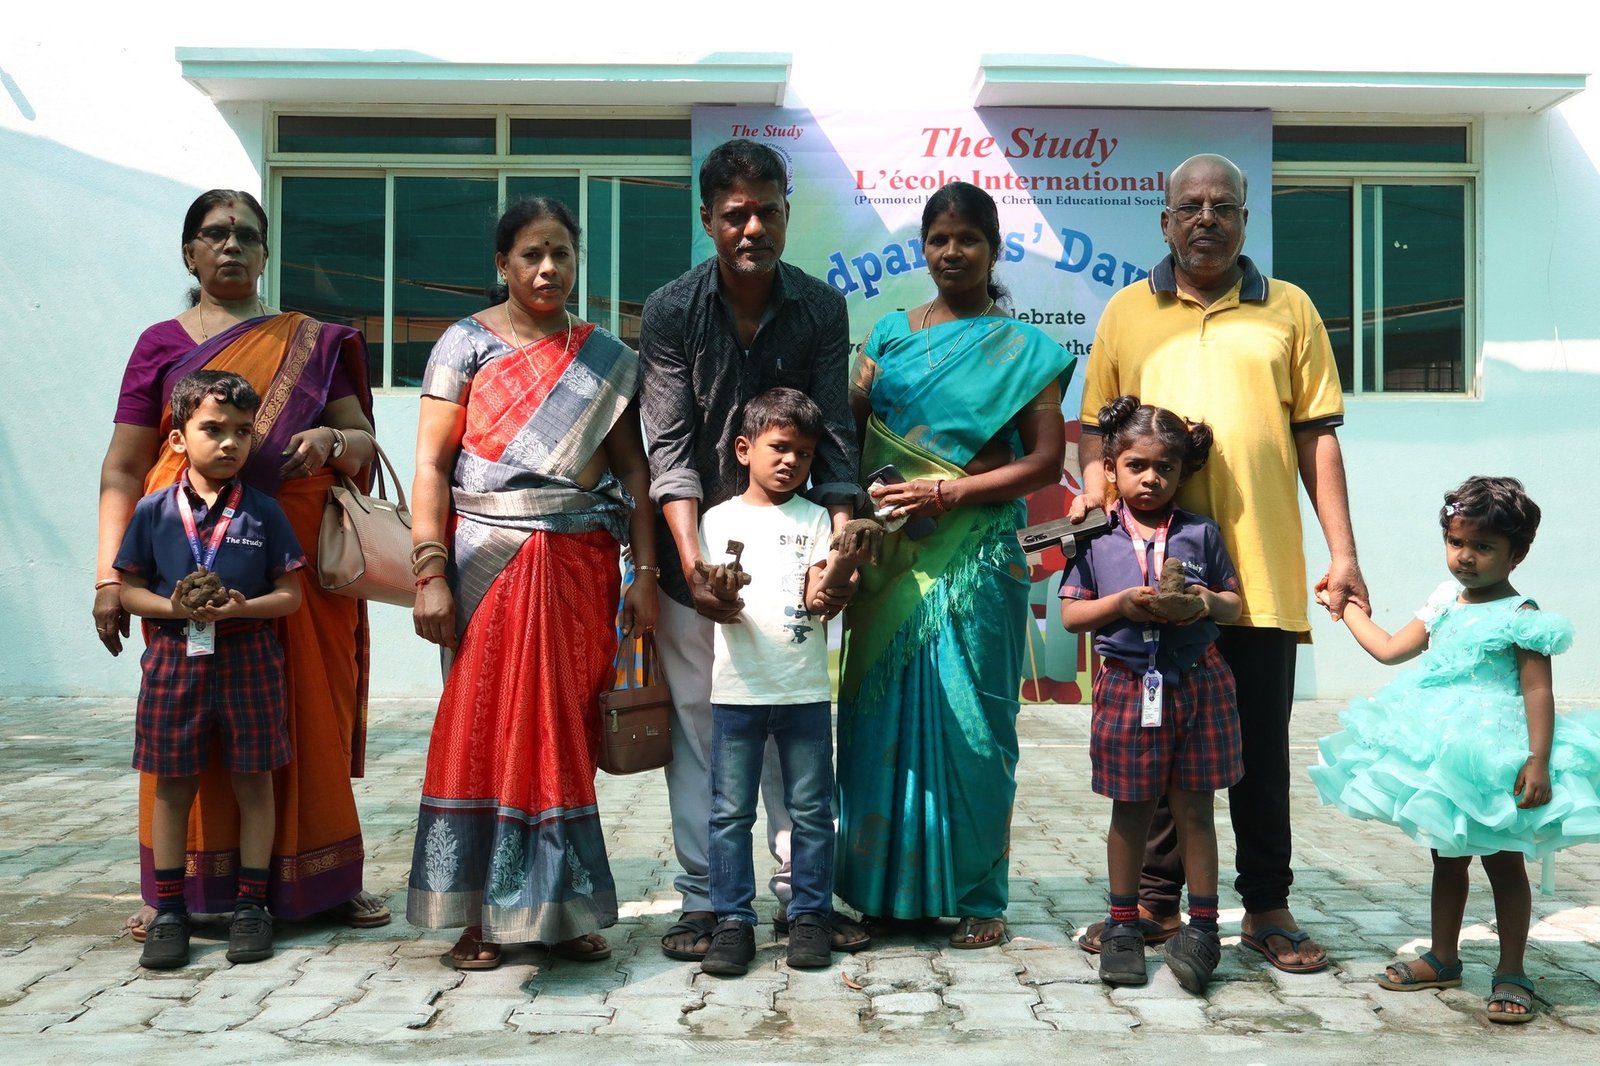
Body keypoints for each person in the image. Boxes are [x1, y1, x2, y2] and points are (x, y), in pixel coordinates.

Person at [1071, 153, 1364, 973]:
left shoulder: (1290, 309)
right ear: (1165, 221)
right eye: (1191, 206)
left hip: (1256, 577)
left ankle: (1267, 907)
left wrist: (1343, 553)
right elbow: (1095, 431)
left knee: (1258, 754)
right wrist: (1095, 504)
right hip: (1150, 581)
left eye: (1222, 206)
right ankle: (1155, 904)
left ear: (1244, 219)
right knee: (1157, 743)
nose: (1207, 218)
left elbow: (1317, 438)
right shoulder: (1128, 310)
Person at [95, 189, 387, 937]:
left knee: (305, 715)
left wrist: (330, 441)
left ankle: (321, 879)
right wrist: (108, 579)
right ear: (189, 252)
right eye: (215, 234)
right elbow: (124, 468)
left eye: (247, 235)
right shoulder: (160, 344)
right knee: (183, 731)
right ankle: (177, 891)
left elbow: (360, 442)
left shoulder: (311, 342)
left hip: (292, 568)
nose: (231, 246)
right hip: (181, 567)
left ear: (264, 252)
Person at [406, 196, 657, 970]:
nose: (548, 268)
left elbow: (635, 474)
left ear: (577, 260)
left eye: (561, 254)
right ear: (502, 264)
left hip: (581, 567)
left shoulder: (603, 357)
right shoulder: (464, 344)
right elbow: (431, 466)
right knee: (484, 727)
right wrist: (429, 571)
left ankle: (562, 904)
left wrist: (645, 573)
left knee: (563, 733)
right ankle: (480, 914)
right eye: (530, 255)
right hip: (486, 562)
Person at [640, 138, 869, 960]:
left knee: (789, 723)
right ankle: (707, 902)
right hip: (694, 552)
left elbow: (834, 442)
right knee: (704, 729)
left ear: (786, 214)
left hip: (795, 556)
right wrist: (692, 564)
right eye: (735, 214)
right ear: (708, 218)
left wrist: (837, 556)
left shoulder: (820, 308)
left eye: (767, 212)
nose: (752, 228)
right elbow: (669, 450)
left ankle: (801, 901)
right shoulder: (671, 310)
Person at [836, 180, 1076, 949]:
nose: (952, 252)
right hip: (892, 557)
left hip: (979, 555)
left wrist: (950, 490)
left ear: (994, 249)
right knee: (879, 721)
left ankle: (979, 896)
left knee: (978, 724)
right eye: (938, 238)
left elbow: (1045, 462)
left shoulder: (1026, 351)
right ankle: (883, 892)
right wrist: (867, 507)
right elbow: (845, 435)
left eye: (968, 239)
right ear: (922, 247)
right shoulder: (887, 338)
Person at [1310, 476, 1600, 1023]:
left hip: (1497, 757)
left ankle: (1512, 969)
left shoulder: (1522, 616)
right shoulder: (1444, 602)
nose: (1465, 557)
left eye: (1483, 546)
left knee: (1504, 864)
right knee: (1446, 856)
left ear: (1517, 554)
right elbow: (1390, 650)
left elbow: (1538, 691)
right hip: (1443, 753)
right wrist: (1344, 608)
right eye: (1456, 542)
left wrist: (1538, 759)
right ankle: (1443, 956)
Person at [115, 371, 305, 968]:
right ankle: (170, 910)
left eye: (243, 432)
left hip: (251, 656)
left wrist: (243, 607)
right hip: (175, 658)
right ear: (178, 438)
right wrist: (174, 608)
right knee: (173, 785)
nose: (229, 443)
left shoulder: (265, 512)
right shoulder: (153, 511)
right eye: (213, 429)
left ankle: (252, 906)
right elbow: (128, 591)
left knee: (255, 780)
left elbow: (291, 596)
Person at [1060, 397, 1242, 993]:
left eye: (1165, 467)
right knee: (1131, 807)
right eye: (1136, 465)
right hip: (1126, 683)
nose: (1151, 478)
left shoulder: (1200, 532)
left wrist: (1204, 603)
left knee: (1195, 808)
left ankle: (1204, 929)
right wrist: (1121, 604)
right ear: (1110, 466)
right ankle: (1122, 925)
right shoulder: (1094, 535)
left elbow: (1233, 604)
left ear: (1184, 471)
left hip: (1200, 680)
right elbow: (1072, 615)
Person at [698, 388, 872, 976]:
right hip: (737, 693)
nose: (791, 461)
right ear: (743, 449)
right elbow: (713, 597)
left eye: (804, 452)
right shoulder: (716, 520)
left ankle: (810, 917)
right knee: (729, 814)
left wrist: (846, 561)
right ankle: (732, 922)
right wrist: (721, 588)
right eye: (778, 447)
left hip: (803, 693)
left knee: (812, 812)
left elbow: (819, 597)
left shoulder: (818, 519)